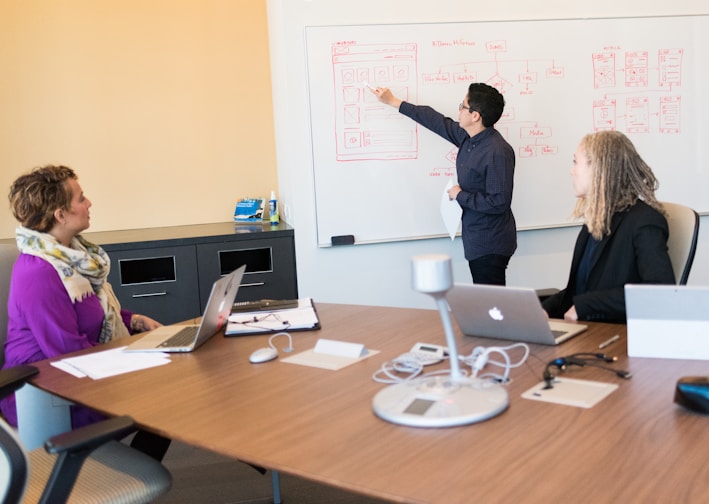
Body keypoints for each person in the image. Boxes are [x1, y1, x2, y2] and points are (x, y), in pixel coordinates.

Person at [1, 164, 170, 459]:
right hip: (49, 393)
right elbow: (68, 351)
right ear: (60, 214)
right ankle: (115, 482)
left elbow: (95, 313)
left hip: (81, 373)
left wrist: (136, 321)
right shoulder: (38, 272)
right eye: (81, 198)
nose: (89, 203)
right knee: (165, 400)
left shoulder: (75, 258)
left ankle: (122, 475)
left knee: (170, 392)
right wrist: (136, 359)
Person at [372, 83, 516, 285]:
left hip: (490, 243)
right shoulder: (468, 138)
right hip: (476, 239)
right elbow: (435, 121)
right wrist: (394, 102)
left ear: (475, 116)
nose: (458, 110)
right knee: (487, 302)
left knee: (491, 306)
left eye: (462, 106)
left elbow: (499, 202)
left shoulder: (496, 151)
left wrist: (460, 195)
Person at [542, 131, 676, 323]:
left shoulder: (644, 222)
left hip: (616, 335)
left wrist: (586, 306)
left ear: (599, 168)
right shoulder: (596, 221)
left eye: (575, 162)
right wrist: (544, 310)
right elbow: (579, 290)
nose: (572, 171)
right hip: (590, 329)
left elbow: (660, 292)